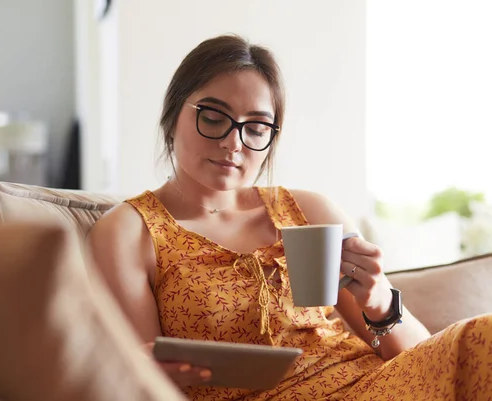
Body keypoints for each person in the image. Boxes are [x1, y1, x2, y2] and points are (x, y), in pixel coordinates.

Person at [88, 34, 492, 400]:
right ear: (173, 114)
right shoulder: (129, 232)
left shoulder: (308, 210)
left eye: (257, 127)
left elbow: (418, 353)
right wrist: (138, 368)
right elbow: (143, 376)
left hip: (374, 385)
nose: (234, 143)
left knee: (483, 337)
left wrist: (380, 301)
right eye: (213, 117)